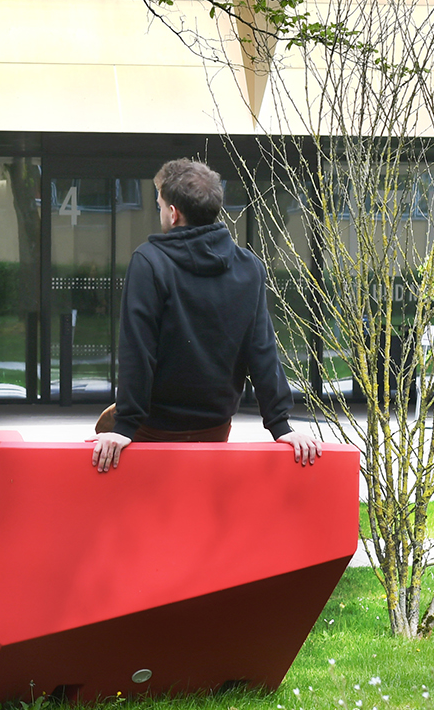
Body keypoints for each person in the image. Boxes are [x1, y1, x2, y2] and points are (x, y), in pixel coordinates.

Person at [93, 158, 324, 474]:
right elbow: (262, 350)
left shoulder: (149, 262)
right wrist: (281, 425)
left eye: (160, 205)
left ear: (173, 213)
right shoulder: (249, 267)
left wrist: (124, 426)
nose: (160, 211)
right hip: (215, 428)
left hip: (153, 429)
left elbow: (138, 348)